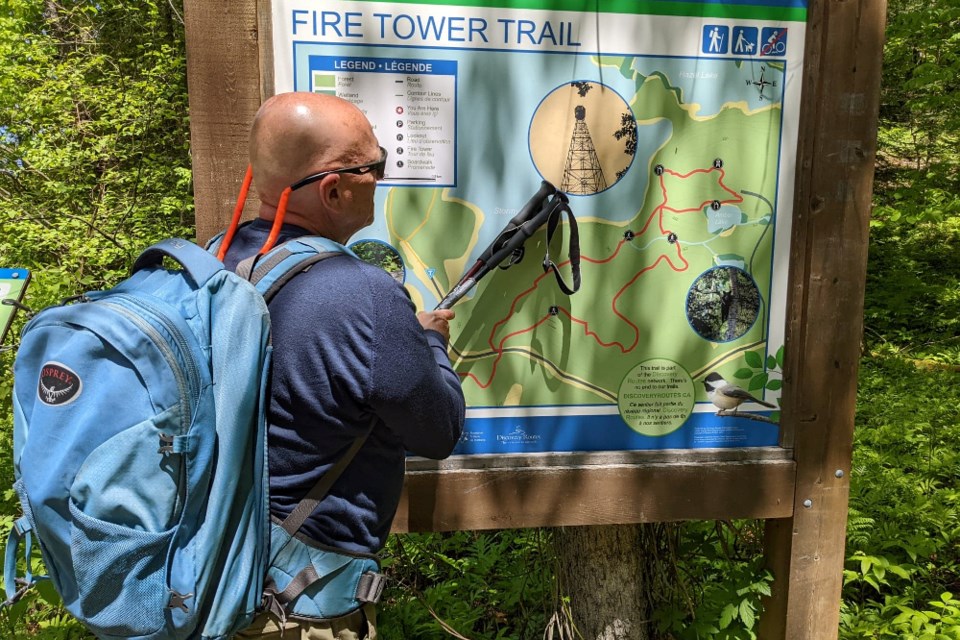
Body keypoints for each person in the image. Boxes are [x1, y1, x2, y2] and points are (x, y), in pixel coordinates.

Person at [225, 92, 466, 639]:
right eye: (374, 165)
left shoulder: (219, 260)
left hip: (214, 583)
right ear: (333, 189)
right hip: (299, 608)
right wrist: (429, 344)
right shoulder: (365, 296)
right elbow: (439, 430)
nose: (380, 177)